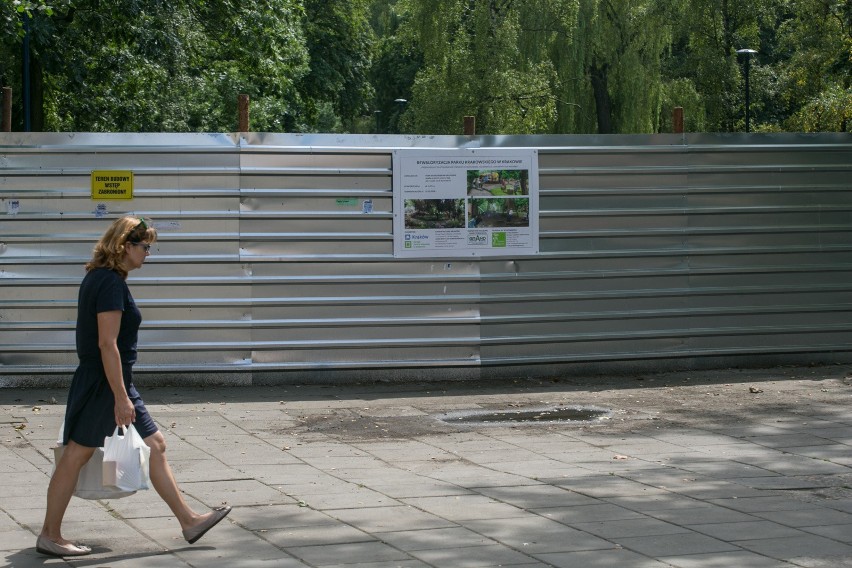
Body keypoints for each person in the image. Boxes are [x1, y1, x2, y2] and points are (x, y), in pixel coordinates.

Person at [37, 216, 230, 558]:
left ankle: (189, 521)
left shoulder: (101, 278)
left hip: (113, 380)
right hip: (105, 383)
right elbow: (107, 344)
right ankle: (50, 534)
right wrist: (121, 397)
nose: (148, 254)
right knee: (76, 454)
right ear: (126, 246)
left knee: (156, 444)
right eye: (145, 247)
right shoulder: (109, 283)